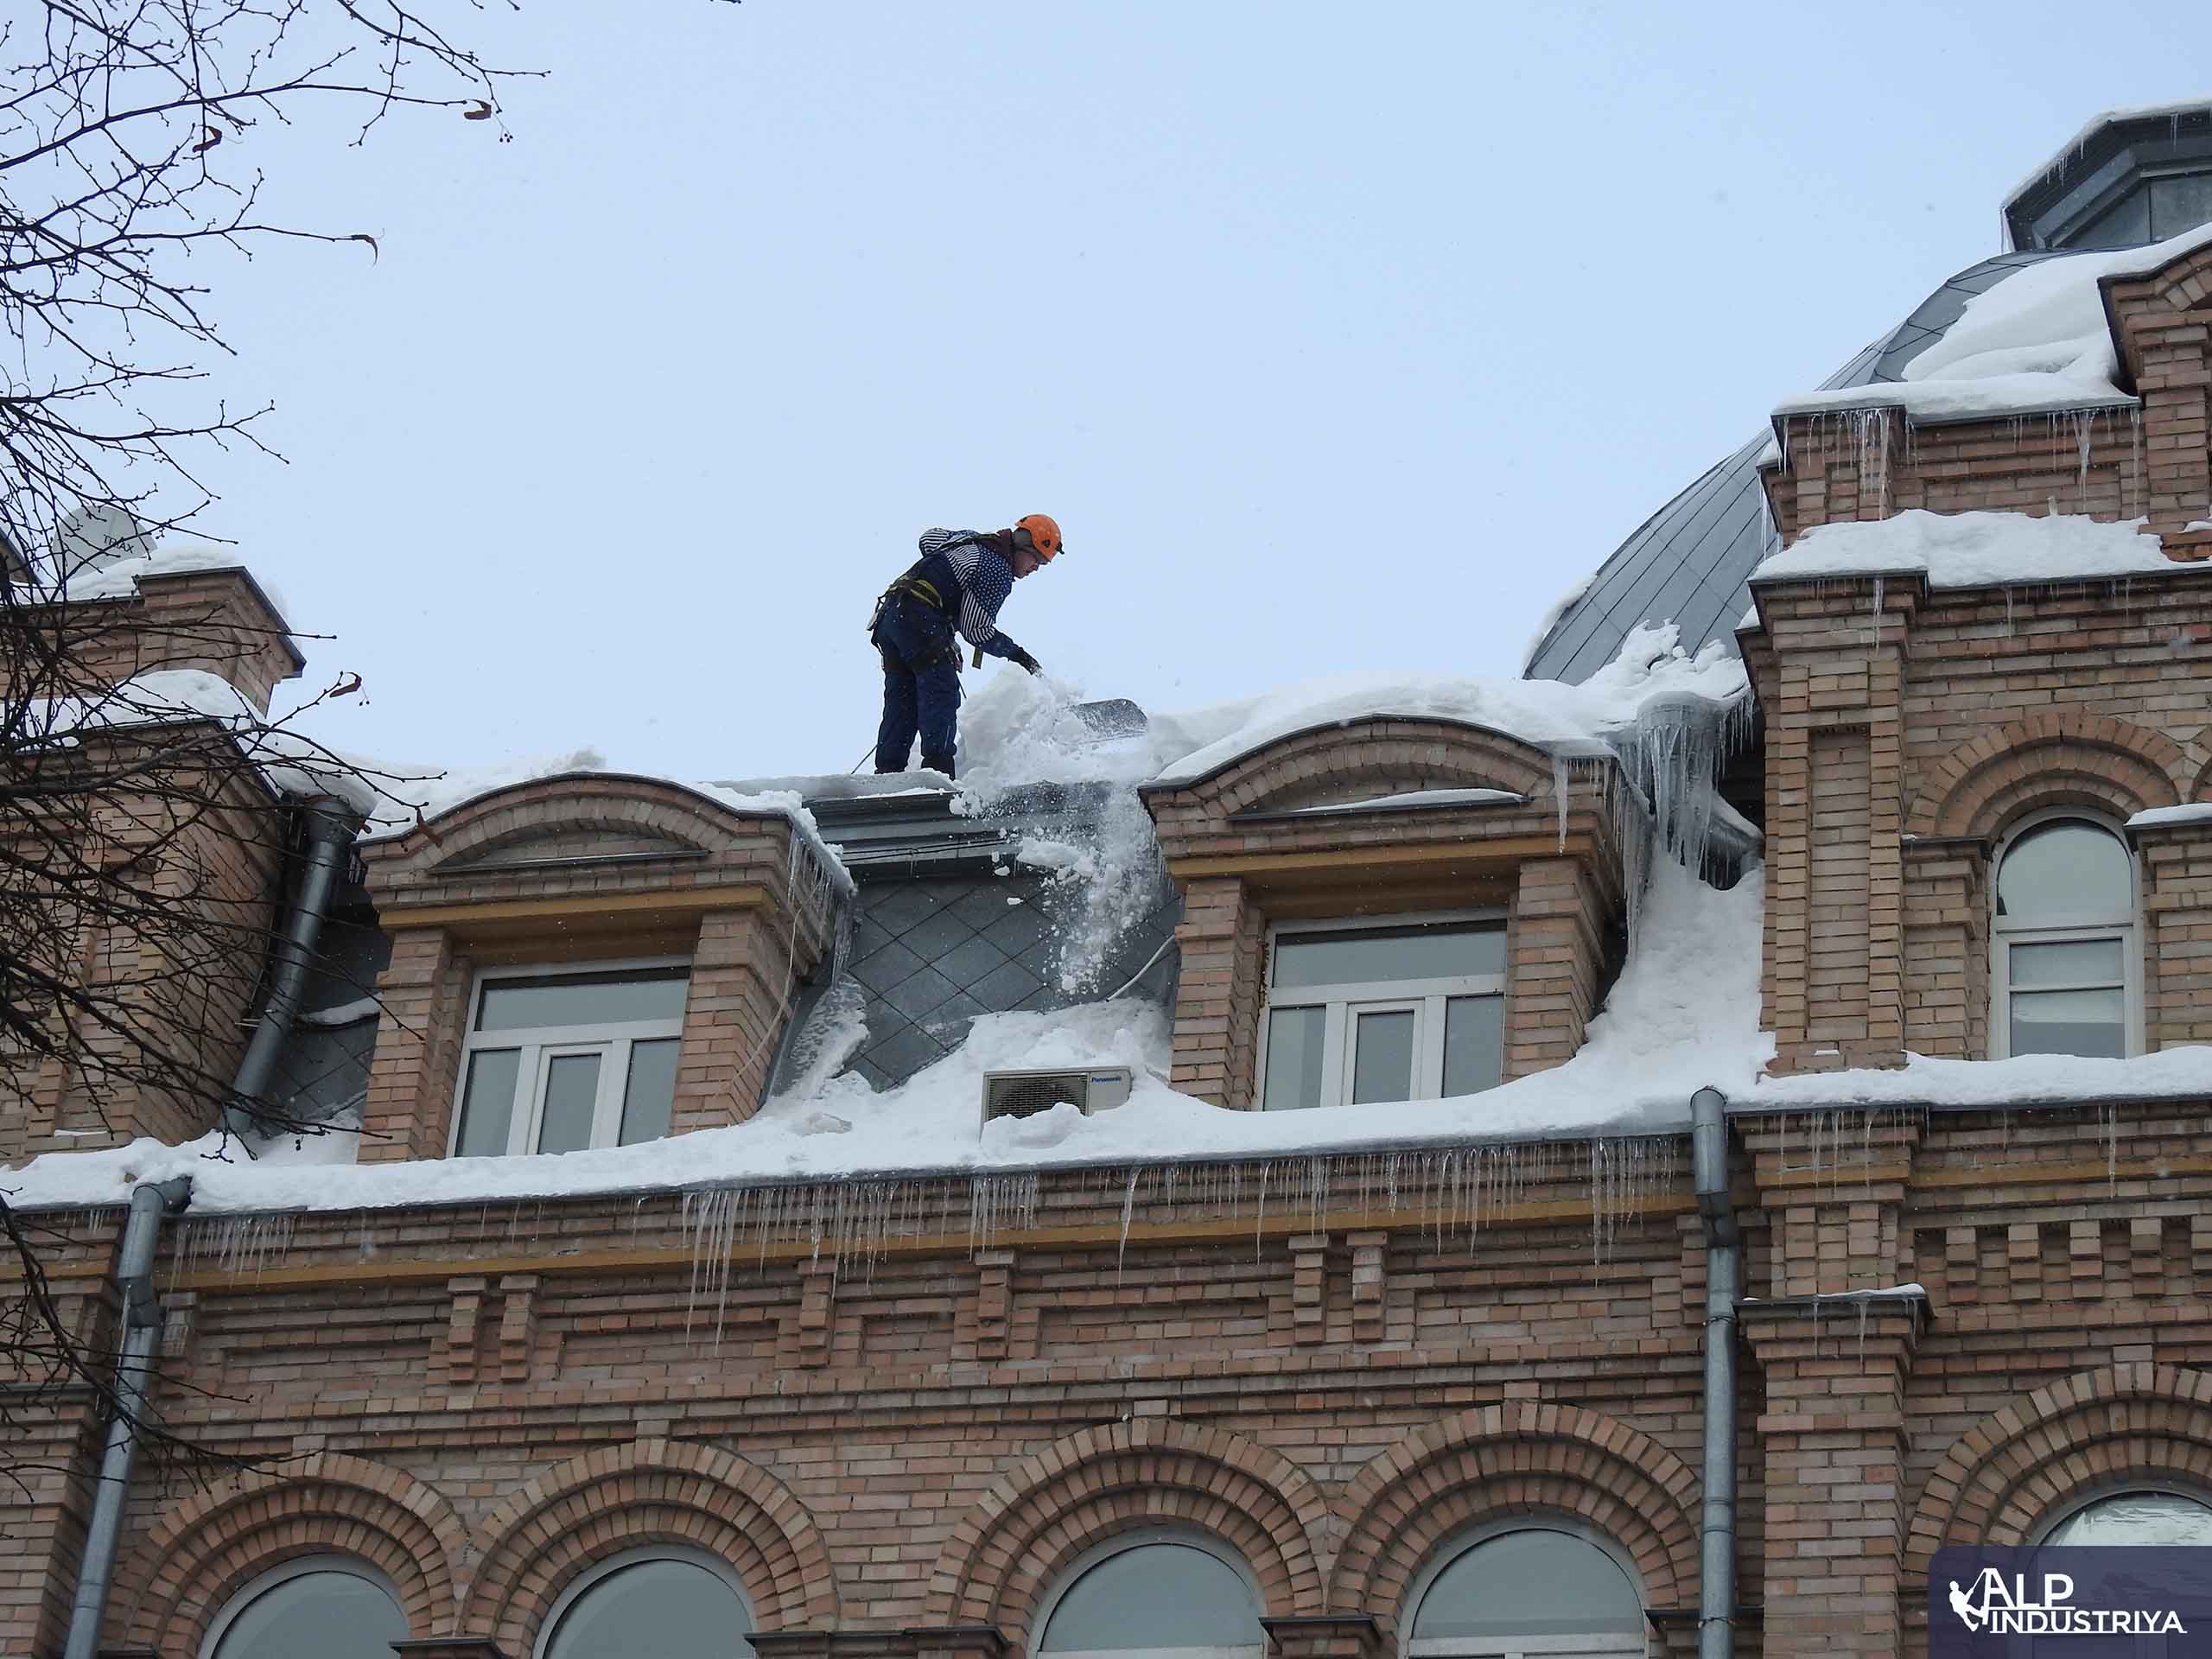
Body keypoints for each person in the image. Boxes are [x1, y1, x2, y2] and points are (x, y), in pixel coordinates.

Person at [869, 514, 1060, 779]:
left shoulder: (970, 540)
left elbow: (929, 538)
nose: (1036, 568)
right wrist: (1018, 655)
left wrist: (955, 568)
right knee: (941, 691)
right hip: (920, 619)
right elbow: (976, 629)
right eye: (1037, 559)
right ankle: (939, 772)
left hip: (891, 618)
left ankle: (888, 770)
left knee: (903, 699)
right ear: (1023, 547)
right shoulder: (996, 569)